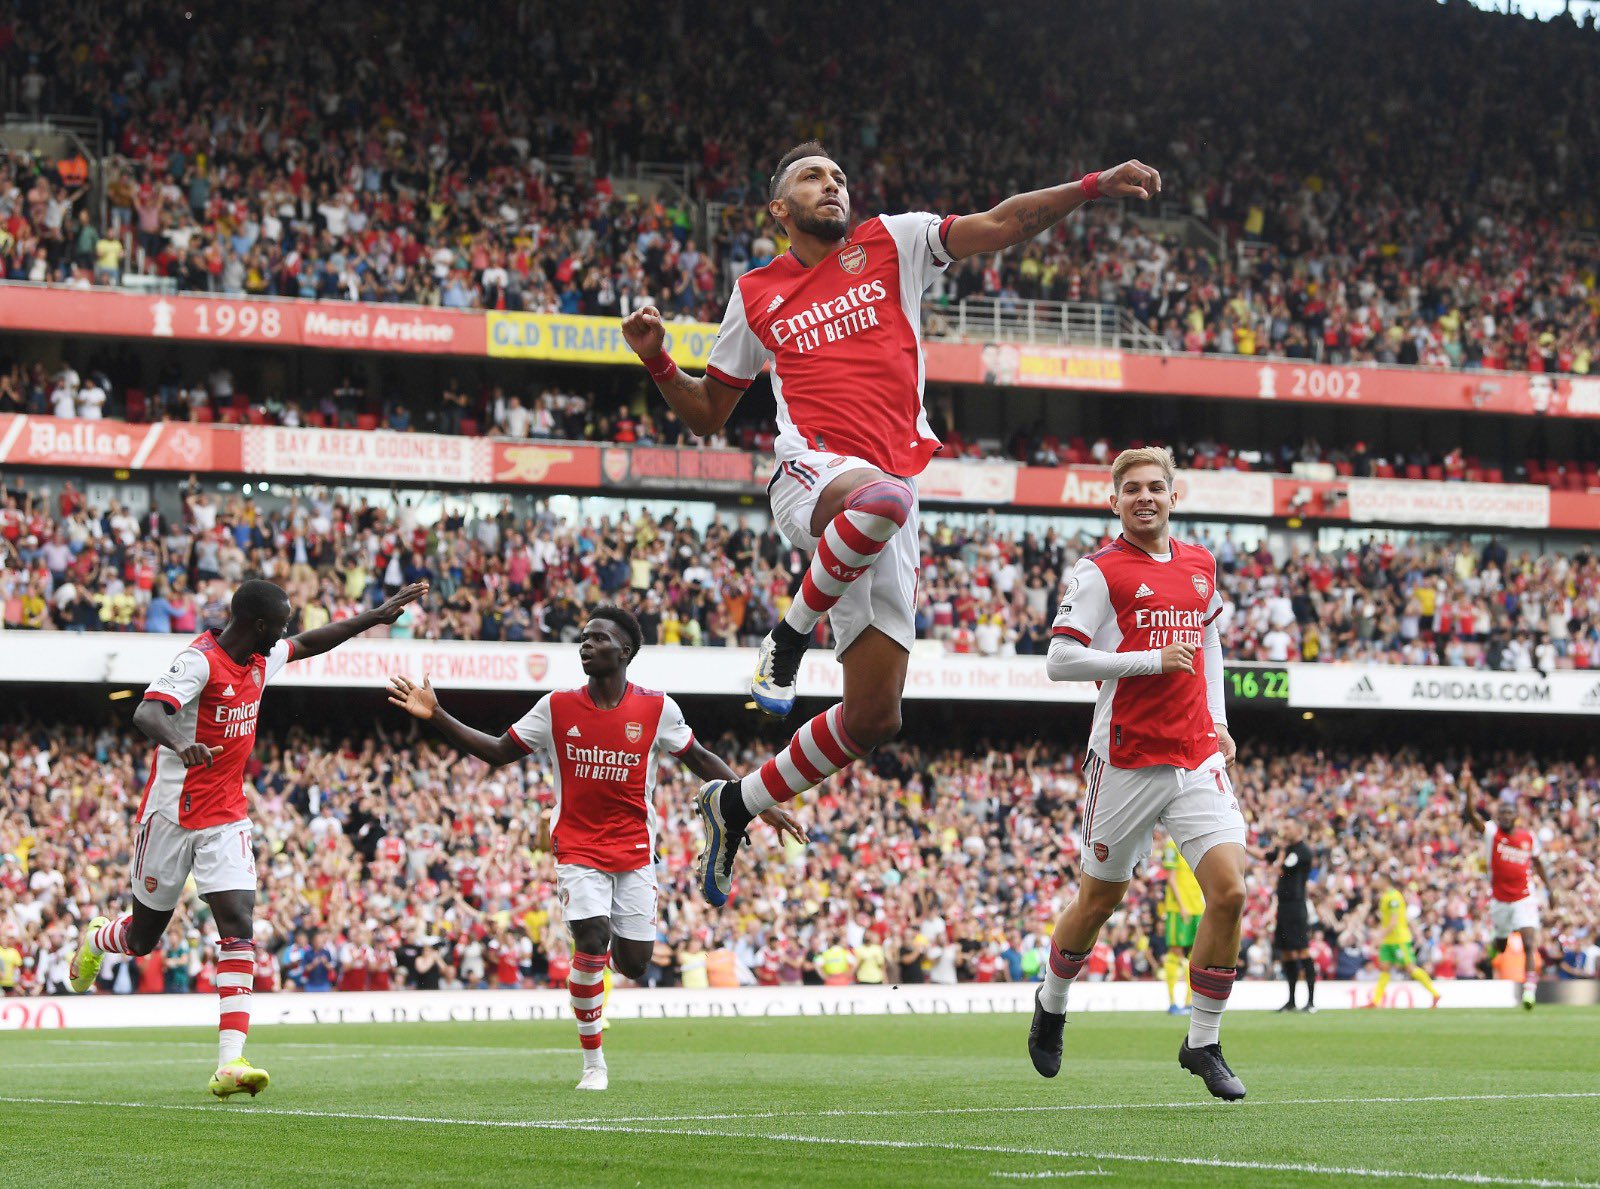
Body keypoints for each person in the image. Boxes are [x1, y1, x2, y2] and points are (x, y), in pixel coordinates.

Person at [621, 142, 1161, 908]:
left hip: (884, 501)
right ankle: (786, 639)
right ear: (779, 209)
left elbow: (1004, 223)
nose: (833, 183)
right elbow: (711, 411)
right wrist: (658, 361)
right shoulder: (756, 292)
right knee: (885, 499)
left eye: (840, 175)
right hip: (814, 475)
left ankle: (732, 802)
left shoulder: (895, 239)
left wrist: (1092, 185)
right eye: (814, 177)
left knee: (875, 716)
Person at [385, 605, 804, 1091]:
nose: (585, 645)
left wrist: (761, 802)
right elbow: (498, 752)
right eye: (583, 638)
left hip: (635, 849)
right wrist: (436, 714)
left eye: (597, 638)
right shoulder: (556, 707)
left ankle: (593, 968)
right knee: (591, 938)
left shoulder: (656, 708)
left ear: (624, 652)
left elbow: (702, 758)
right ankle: (593, 1064)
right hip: (578, 846)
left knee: (634, 963)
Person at [68, 577, 427, 1098]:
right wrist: (182, 743)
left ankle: (230, 1062)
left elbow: (310, 642)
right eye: (277, 626)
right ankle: (100, 936)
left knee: (238, 923)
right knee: (142, 939)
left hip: (227, 818)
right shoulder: (199, 661)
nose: (283, 635)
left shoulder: (262, 658)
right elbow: (147, 710)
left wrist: (374, 617)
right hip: (170, 817)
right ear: (256, 624)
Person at [1027, 446, 1249, 1101]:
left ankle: (1202, 1041)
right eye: (1133, 489)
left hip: (1195, 756)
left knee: (1230, 892)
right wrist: (1150, 660)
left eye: (1156, 486)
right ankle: (1052, 1001)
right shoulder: (1099, 572)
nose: (1145, 497)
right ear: (1115, 500)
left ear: (1174, 495)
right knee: (1099, 900)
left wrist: (1219, 718)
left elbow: (1207, 644)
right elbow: (1060, 661)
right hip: (1125, 757)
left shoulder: (1201, 565)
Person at [1463, 784, 1558, 1009]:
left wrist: (1550, 889)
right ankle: (1493, 945)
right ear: (1498, 817)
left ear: (1516, 816)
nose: (1505, 817)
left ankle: (1529, 991)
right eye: (1502, 813)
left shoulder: (1528, 838)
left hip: (1524, 898)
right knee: (1502, 945)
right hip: (1500, 901)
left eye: (1509, 813)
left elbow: (1538, 863)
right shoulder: (1491, 833)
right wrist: (1467, 793)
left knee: (1528, 942)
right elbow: (1470, 814)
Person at [1256, 819, 1316, 1012]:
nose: (1284, 830)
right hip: (1282, 907)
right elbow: (1266, 856)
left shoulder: (1302, 852)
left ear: (1298, 829)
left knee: (1302, 950)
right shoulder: (1286, 850)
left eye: (1288, 827)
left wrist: (1280, 852)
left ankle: (1311, 1001)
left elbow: (1280, 867)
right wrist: (1242, 845)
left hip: (1296, 907)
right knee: (1287, 952)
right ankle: (1291, 1001)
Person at [1368, 874, 1441, 1009]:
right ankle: (1375, 1001)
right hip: (1388, 940)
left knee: (1410, 968)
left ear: (1385, 881)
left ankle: (1435, 993)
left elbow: (1393, 922)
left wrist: (1378, 937)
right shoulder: (1385, 897)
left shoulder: (1394, 897)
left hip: (1399, 939)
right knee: (1384, 968)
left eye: (1377, 879)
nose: (1375, 882)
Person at [1159, 834, 1203, 1016]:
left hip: (1197, 907)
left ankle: (1188, 1002)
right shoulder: (1171, 845)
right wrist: (1182, 905)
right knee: (1175, 952)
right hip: (1179, 908)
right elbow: (1171, 878)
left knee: (1195, 954)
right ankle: (1172, 1002)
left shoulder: (1196, 842)